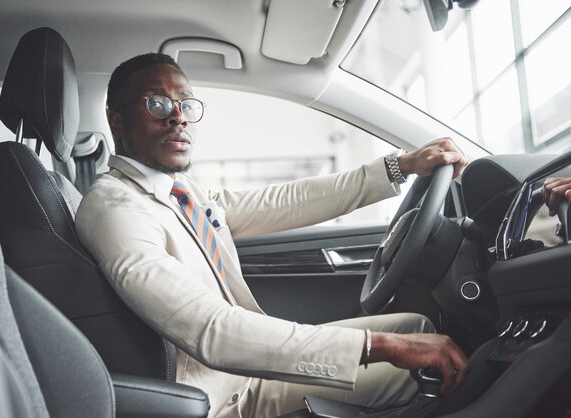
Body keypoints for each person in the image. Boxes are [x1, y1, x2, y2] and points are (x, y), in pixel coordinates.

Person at [75, 53, 469, 418]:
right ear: (117, 121)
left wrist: (399, 166)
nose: (177, 117)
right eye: (157, 103)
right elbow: (210, 329)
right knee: (417, 361)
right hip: (221, 396)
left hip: (245, 370)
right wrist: (379, 348)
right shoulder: (115, 208)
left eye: (186, 105)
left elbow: (286, 201)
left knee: (413, 328)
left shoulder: (178, 190)